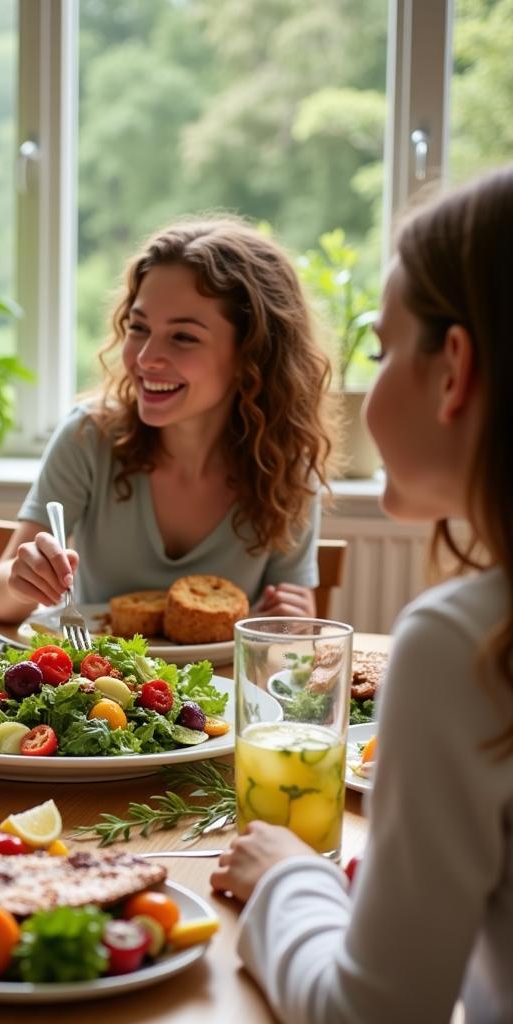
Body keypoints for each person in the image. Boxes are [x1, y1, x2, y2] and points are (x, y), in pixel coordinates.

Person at [211, 167, 513, 1023]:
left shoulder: (468, 642)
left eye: (380, 352)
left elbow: (373, 1013)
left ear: (454, 370)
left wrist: (290, 881)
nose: (365, 389)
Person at [0, 217, 334, 623]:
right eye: (139, 327)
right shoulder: (88, 436)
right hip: (103, 682)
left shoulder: (287, 465)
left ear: (251, 355)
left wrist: (295, 618)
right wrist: (23, 580)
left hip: (219, 685)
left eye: (183, 336)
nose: (146, 358)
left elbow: (293, 625)